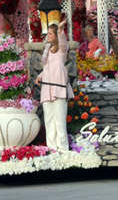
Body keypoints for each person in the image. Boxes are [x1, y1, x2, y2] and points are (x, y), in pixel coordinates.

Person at [35, 20, 74, 153]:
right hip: (47, 88)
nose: (48, 36)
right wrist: (39, 76)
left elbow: (62, 41)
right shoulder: (47, 49)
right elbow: (47, 68)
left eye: (50, 34)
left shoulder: (62, 49)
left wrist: (60, 30)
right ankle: (51, 147)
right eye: (48, 34)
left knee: (59, 119)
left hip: (58, 87)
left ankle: (62, 148)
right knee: (49, 119)